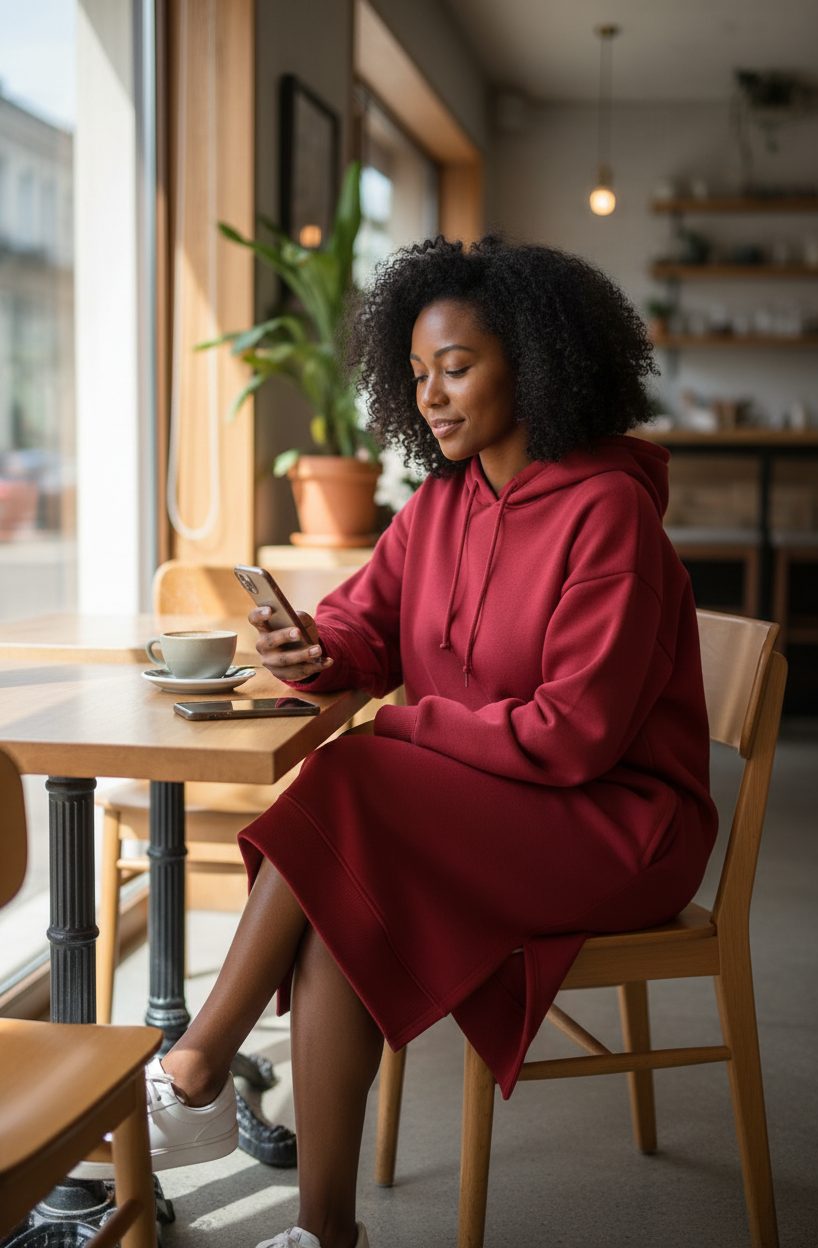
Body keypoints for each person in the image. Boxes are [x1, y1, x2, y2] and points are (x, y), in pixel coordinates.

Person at [128, 236, 718, 1248]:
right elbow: (366, 625)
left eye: (456, 368)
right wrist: (314, 650)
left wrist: (403, 723)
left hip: (617, 825)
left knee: (355, 774)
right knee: (336, 903)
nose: (431, 397)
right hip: (491, 807)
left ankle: (196, 1068)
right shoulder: (442, 502)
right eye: (415, 375)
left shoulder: (609, 513)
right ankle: (324, 1230)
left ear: (533, 363)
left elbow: (575, 737)